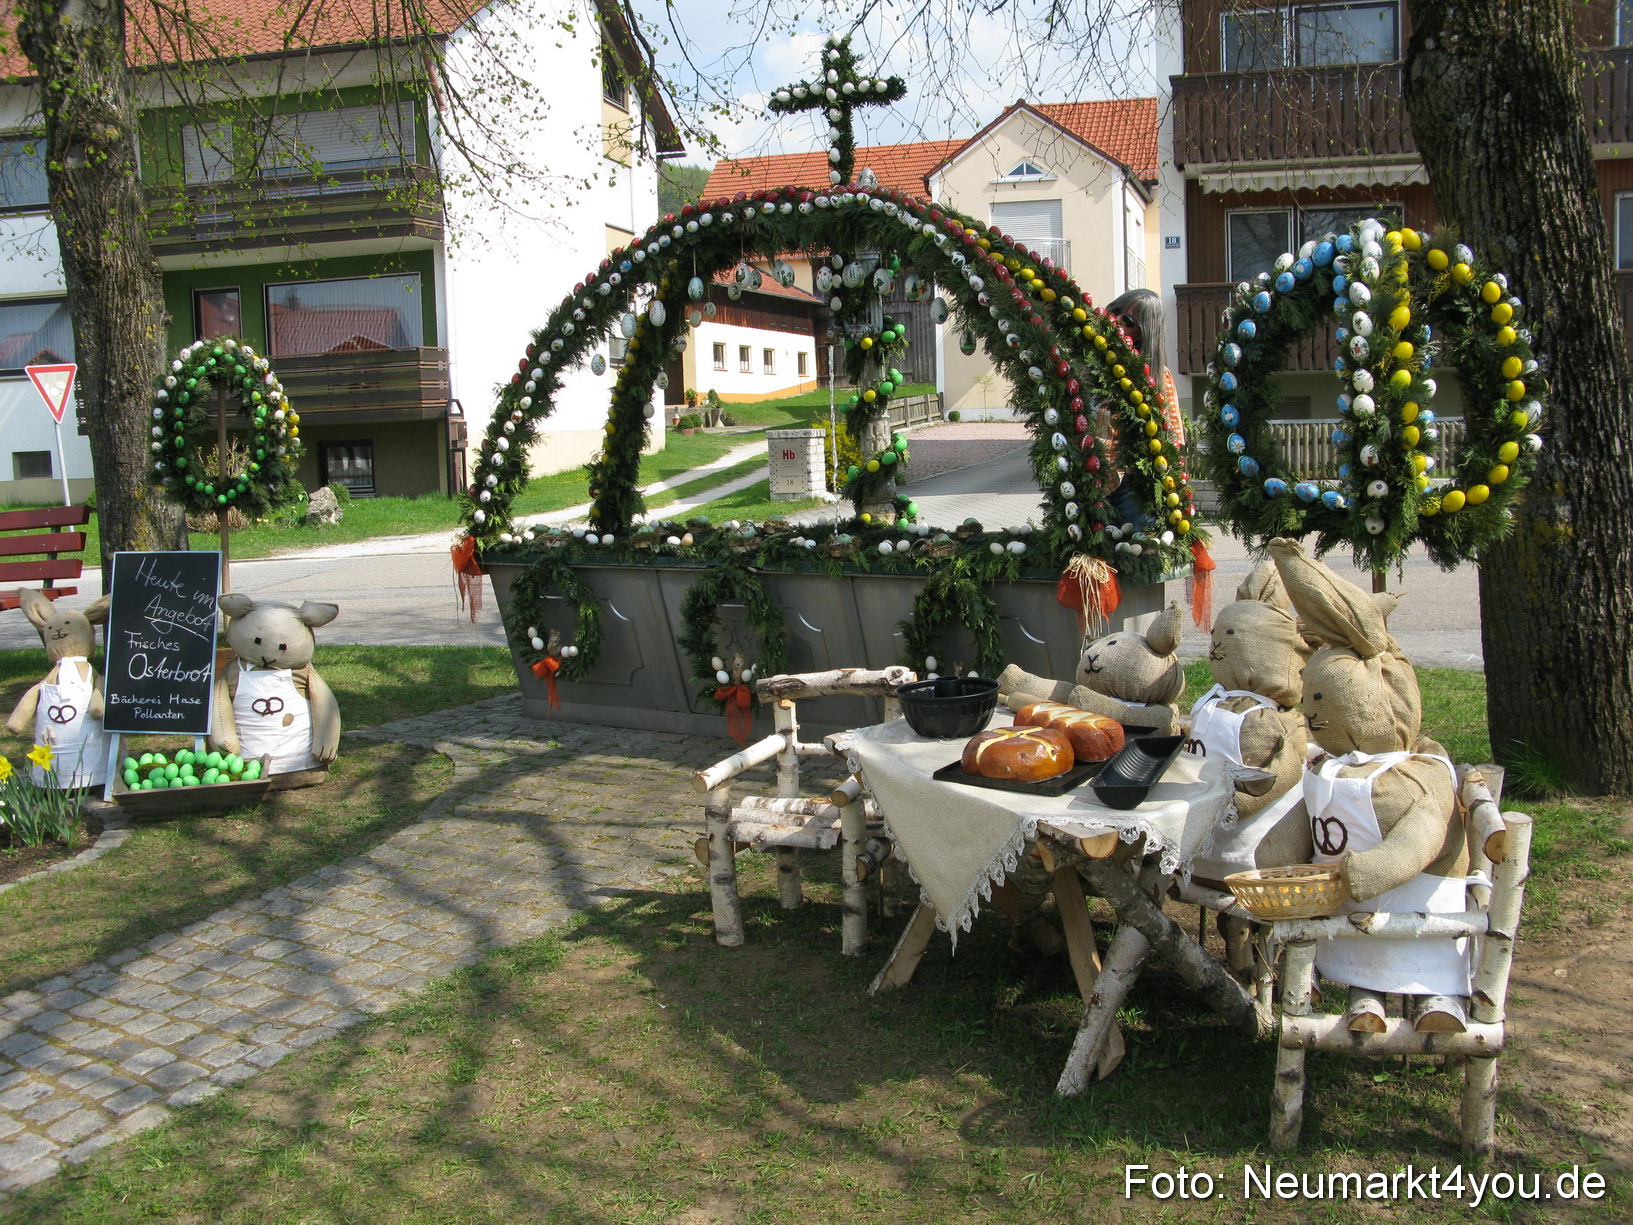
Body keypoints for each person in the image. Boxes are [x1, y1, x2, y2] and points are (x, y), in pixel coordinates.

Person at [1101, 289, 1185, 528]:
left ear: (1143, 332)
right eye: (1115, 311)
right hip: (1088, 482)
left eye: (1127, 320)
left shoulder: (1157, 377)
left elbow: (1174, 441)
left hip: (1128, 487)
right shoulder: (1090, 365)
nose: (1116, 321)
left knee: (1131, 555)